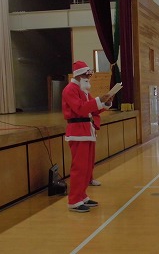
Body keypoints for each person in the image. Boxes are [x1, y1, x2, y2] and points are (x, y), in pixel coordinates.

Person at [62, 60, 114, 213]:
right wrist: (99, 101)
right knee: (79, 167)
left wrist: (105, 104)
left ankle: (81, 195)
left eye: (90, 75)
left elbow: (93, 109)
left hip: (87, 131)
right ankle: (74, 200)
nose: (89, 77)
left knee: (87, 166)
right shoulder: (70, 89)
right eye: (87, 75)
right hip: (78, 131)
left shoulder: (83, 90)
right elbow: (80, 109)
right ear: (79, 75)